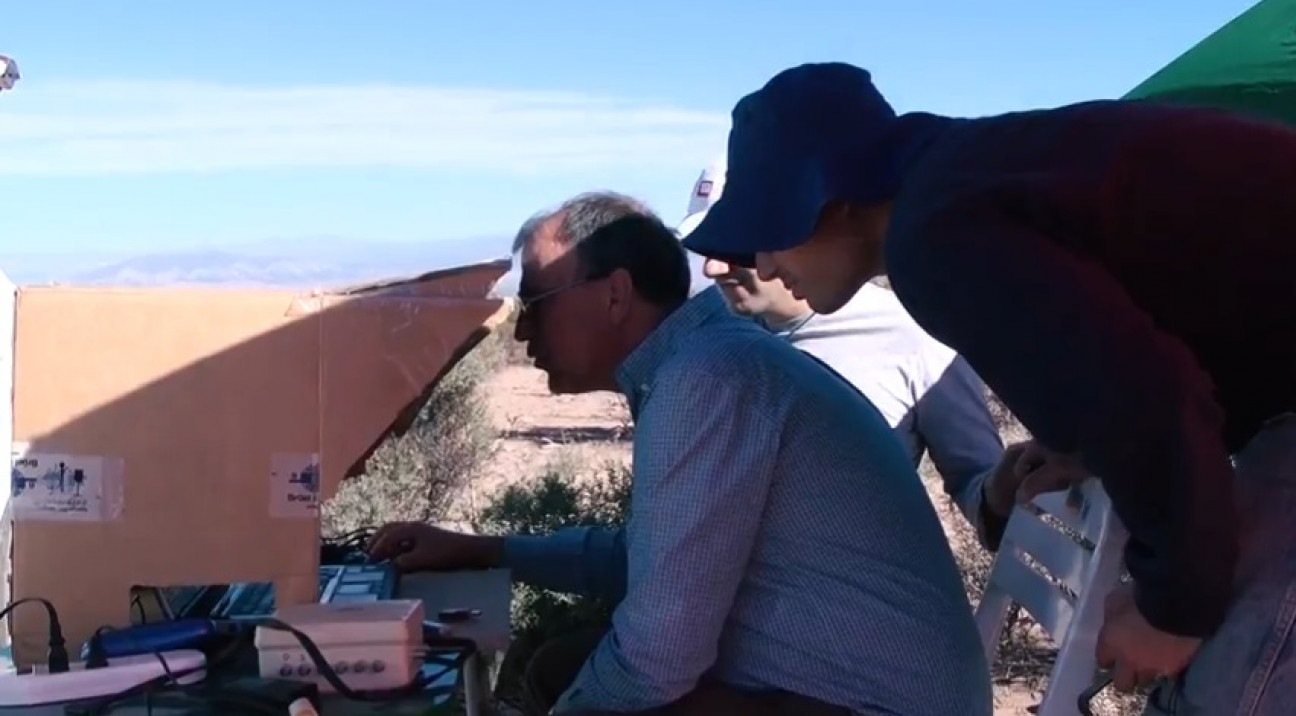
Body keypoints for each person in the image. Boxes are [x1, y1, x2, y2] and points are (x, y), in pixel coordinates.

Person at [680, 61, 1296, 716]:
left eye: (771, 230)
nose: (762, 262)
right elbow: (1168, 354)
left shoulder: (935, 233)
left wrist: (1174, 607)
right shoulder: (966, 180)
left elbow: (1151, 403)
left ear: (839, 198)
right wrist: (1085, 446)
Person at [369, 191, 992, 715]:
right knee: (562, 665)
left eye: (535, 305)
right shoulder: (706, 363)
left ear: (614, 295)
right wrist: (485, 551)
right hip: (857, 686)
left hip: (869, 704)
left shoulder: (706, 381)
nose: (525, 332)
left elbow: (658, 655)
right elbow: (650, 557)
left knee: (579, 677)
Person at [679, 158, 1008, 544]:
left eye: (733, 245)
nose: (714, 268)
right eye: (706, 246)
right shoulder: (707, 341)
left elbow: (980, 489)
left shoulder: (917, 336)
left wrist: (1004, 493)